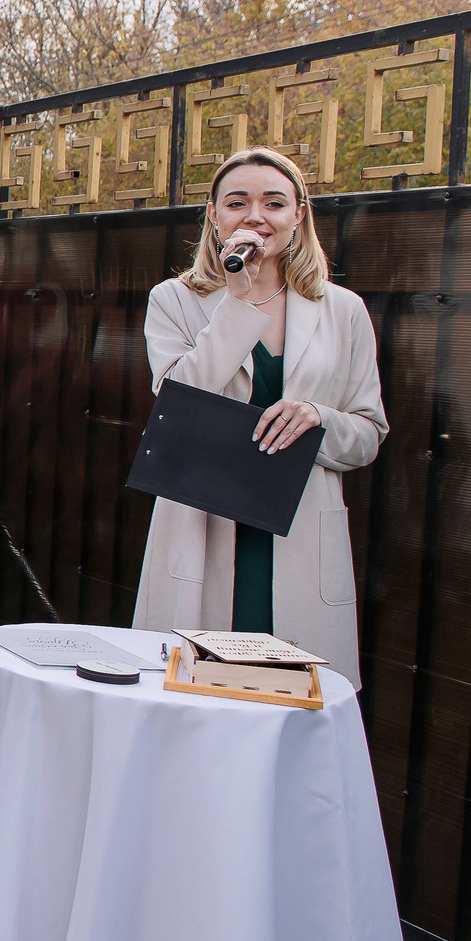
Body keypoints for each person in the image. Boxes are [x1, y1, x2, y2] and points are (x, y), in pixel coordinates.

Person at [131, 146, 387, 685]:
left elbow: (367, 434)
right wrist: (237, 302)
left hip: (297, 532)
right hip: (203, 527)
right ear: (214, 216)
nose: (255, 216)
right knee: (195, 697)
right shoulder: (174, 300)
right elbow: (177, 400)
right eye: (237, 202)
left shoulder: (342, 310)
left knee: (292, 704)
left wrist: (318, 417)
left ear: (299, 215)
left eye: (273, 203)